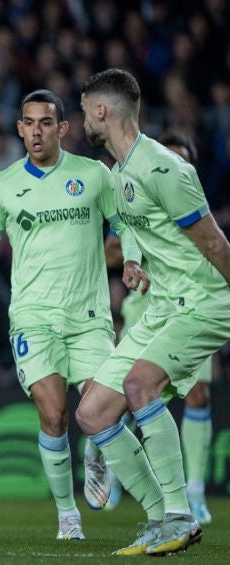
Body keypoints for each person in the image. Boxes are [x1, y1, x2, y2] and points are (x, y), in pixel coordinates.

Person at [0, 89, 145, 541]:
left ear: (62, 129)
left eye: (45, 123)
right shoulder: (2, 184)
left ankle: (98, 447)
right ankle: (67, 516)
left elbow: (124, 224)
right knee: (53, 414)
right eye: (28, 123)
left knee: (103, 411)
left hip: (89, 316)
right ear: (20, 129)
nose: (36, 131)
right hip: (34, 317)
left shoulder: (94, 175)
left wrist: (131, 259)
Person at [74, 68, 230, 556]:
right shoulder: (121, 174)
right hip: (163, 306)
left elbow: (216, 245)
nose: (82, 121)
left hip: (203, 302)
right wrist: (139, 264)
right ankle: (161, 517)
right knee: (93, 413)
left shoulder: (165, 169)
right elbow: (148, 234)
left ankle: (181, 515)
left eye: (83, 111)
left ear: (102, 110)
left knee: (140, 384)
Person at [101, 131, 216, 524]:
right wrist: (129, 258)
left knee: (198, 394)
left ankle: (193, 494)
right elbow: (113, 249)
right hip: (145, 308)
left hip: (191, 307)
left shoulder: (191, 207)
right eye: (170, 155)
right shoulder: (138, 194)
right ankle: (119, 472)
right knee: (132, 395)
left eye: (183, 159)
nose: (174, 163)